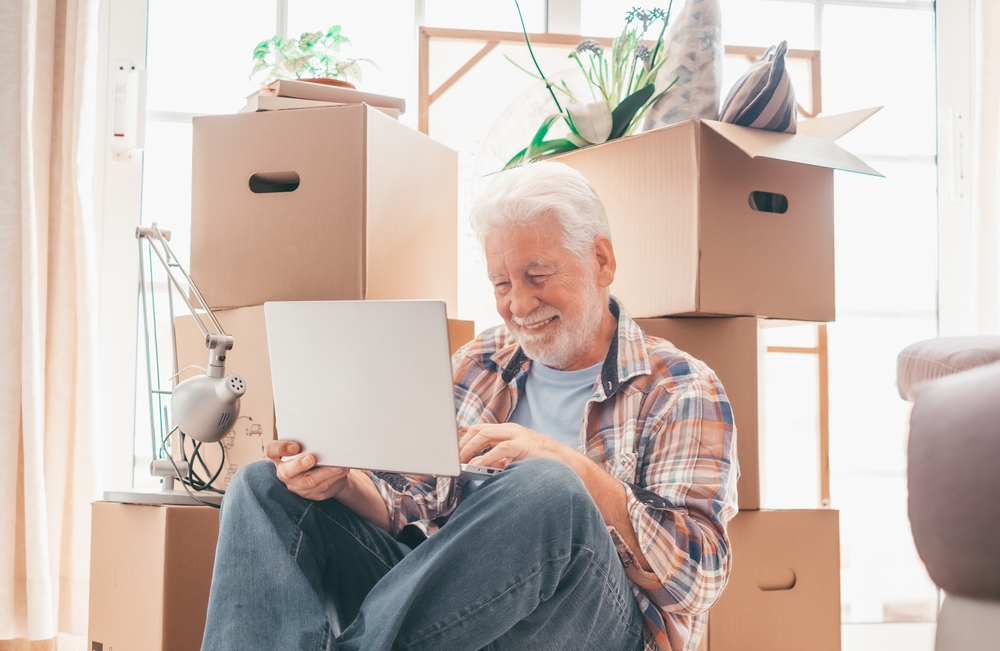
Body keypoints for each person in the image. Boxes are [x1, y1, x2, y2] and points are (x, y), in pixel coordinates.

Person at [200, 162, 739, 651]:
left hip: (589, 626)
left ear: (601, 260)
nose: (519, 305)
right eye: (502, 283)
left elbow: (701, 579)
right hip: (456, 619)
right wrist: (341, 483)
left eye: (538, 276)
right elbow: (409, 503)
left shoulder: (681, 388)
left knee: (548, 488)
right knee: (261, 487)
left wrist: (569, 467)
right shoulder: (479, 361)